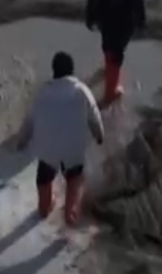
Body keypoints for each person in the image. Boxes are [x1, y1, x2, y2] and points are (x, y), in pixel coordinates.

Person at [16, 51, 105, 225]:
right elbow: (94, 116)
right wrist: (99, 135)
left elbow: (30, 120)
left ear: (54, 70)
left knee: (44, 178)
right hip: (73, 151)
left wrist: (22, 141)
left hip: (47, 151)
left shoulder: (43, 92)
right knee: (74, 178)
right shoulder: (82, 90)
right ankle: (71, 213)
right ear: (72, 70)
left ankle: (45, 207)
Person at [86, 0, 147, 106]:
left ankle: (110, 68)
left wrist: (90, 19)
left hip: (105, 22)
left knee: (108, 47)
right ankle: (110, 92)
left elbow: (92, 1)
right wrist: (141, 22)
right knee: (117, 52)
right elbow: (139, 4)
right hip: (125, 25)